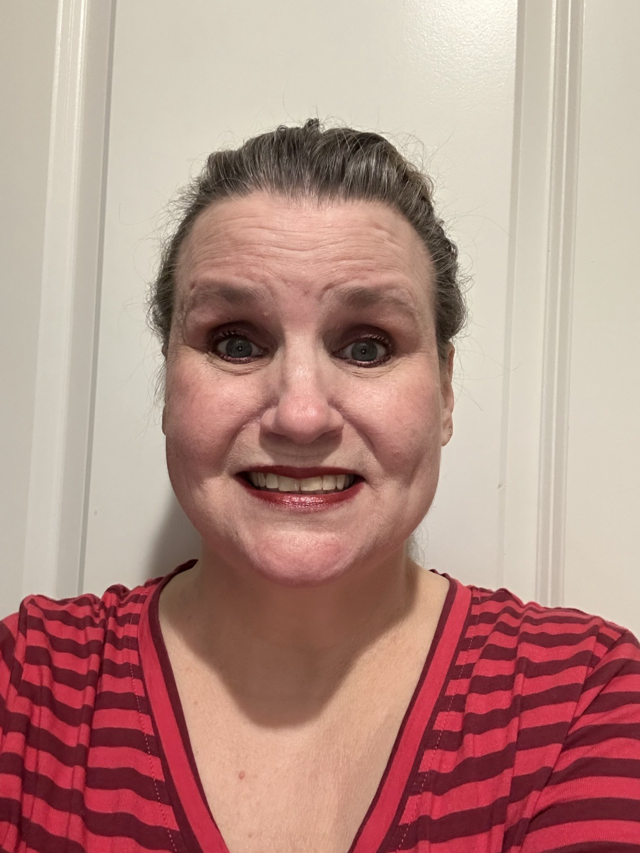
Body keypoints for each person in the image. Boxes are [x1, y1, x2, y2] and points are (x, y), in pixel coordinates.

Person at [1, 119, 639, 853]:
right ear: (168, 384)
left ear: (445, 393)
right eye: (235, 342)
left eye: (367, 346)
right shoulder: (26, 694)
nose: (301, 415)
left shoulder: (582, 701)